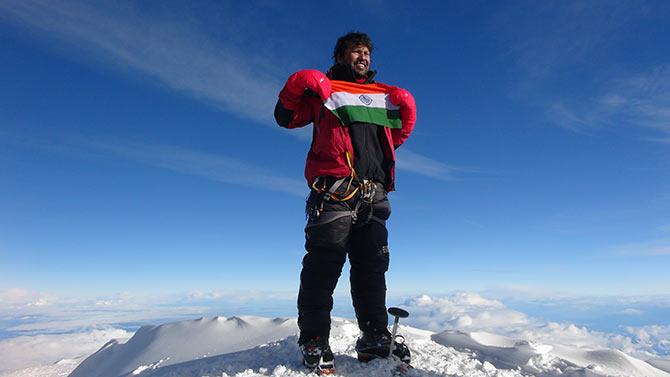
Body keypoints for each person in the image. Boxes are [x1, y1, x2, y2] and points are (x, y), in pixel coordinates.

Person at [274, 31, 416, 373]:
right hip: (335, 193)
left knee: (372, 272)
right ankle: (314, 339)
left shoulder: (379, 98)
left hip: (373, 197)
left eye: (366, 51)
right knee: (323, 269)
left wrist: (406, 112)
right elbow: (286, 116)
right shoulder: (325, 91)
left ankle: (373, 337)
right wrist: (299, 83)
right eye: (355, 51)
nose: (363, 56)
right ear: (341, 57)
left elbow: (391, 141)